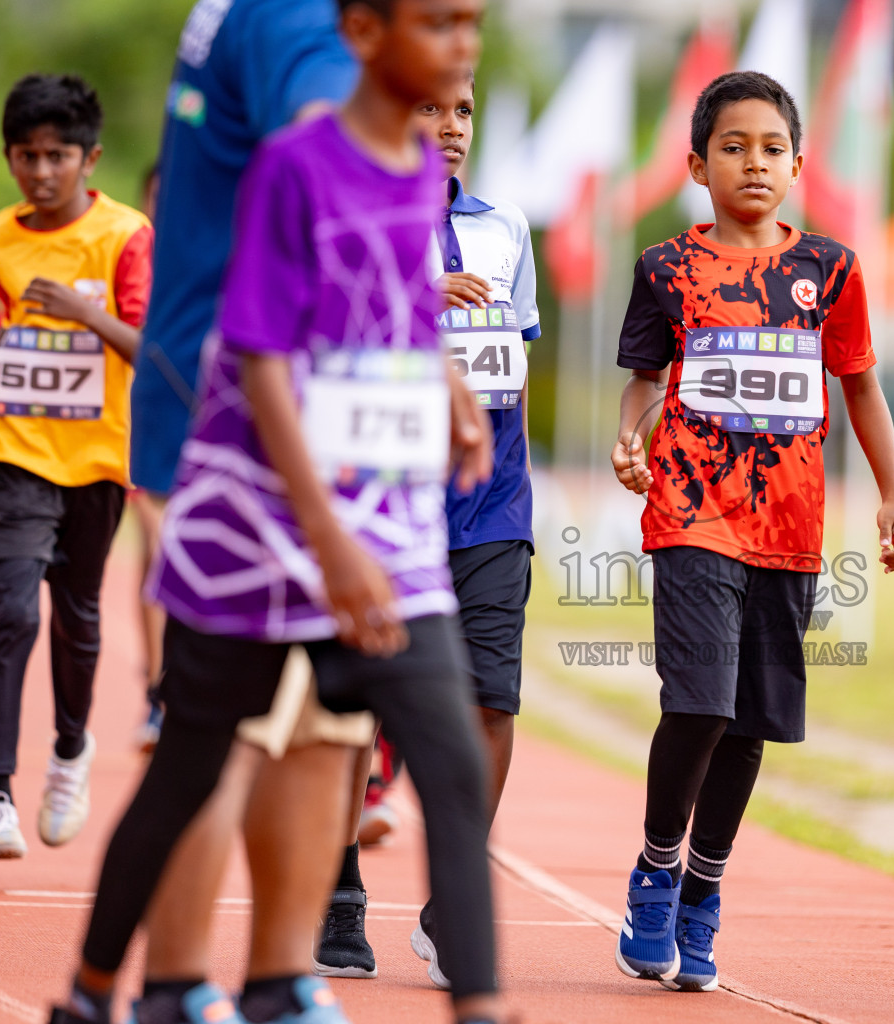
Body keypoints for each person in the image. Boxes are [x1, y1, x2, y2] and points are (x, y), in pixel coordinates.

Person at [49, 2, 500, 1023]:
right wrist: (327, 539)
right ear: (366, 33)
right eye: (441, 23)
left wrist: (449, 388)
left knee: (447, 757)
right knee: (205, 753)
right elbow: (259, 352)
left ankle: (468, 1000)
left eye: (472, 22)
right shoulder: (302, 143)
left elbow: (402, 294)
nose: (464, 46)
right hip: (253, 497)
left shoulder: (421, 168)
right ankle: (100, 990)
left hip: (380, 503)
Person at [610, 70, 894, 993]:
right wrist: (629, 440)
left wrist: (892, 496)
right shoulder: (666, 268)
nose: (754, 163)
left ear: (798, 163)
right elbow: (645, 381)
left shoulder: (831, 270)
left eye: (771, 148)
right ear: (697, 164)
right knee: (697, 701)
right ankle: (657, 871)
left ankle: (704, 890)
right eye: (733, 147)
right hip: (693, 516)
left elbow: (860, 383)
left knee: (749, 722)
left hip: (791, 527)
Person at [313, 69, 544, 986]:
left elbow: (510, 357)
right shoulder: (350, 219)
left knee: (492, 700)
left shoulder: (507, 227)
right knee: (362, 704)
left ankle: (453, 905)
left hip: (491, 502)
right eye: (429, 108)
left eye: (463, 111)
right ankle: (338, 891)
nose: (450, 128)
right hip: (378, 501)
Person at [0, 74, 152, 859]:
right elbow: (17, 316)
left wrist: (86, 312)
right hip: (15, 451)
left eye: (58, 156)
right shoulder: (2, 235)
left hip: (99, 458)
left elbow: (150, 345)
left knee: (78, 617)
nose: (41, 172)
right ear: (9, 158)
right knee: (15, 610)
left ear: (89, 157)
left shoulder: (126, 236)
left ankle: (71, 750)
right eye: (27, 156)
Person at [131, 161, 166, 752]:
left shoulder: (225, 247)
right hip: (144, 428)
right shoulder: (137, 253)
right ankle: (160, 694)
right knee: (158, 552)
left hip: (209, 428)